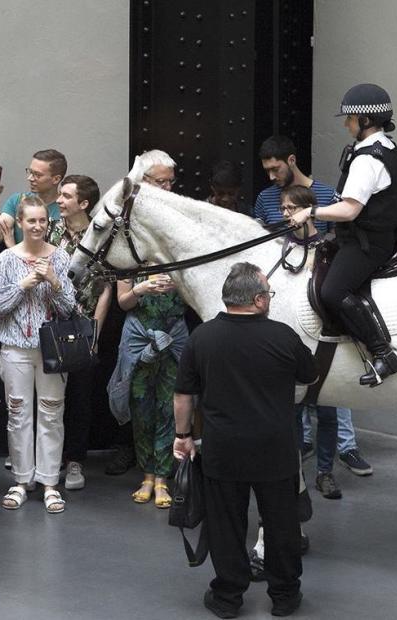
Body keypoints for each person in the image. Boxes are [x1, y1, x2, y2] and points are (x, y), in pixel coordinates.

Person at [173, 262, 317, 618]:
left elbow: (183, 395)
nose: (269, 297)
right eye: (268, 292)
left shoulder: (201, 337)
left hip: (224, 451)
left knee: (226, 525)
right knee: (282, 524)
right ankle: (284, 596)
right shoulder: (283, 336)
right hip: (276, 451)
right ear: (257, 300)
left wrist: (183, 436)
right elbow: (309, 375)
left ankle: (228, 597)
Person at [257, 135, 371, 476]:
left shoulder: (325, 195)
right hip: (286, 290)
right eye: (267, 170)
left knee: (333, 381)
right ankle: (303, 448)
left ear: (291, 160)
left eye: (276, 169)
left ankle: (345, 448)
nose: (272, 177)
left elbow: (344, 235)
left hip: (318, 281)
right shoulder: (265, 198)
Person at [288, 84, 397, 387]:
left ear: (365, 120)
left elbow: (350, 210)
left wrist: (310, 212)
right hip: (360, 237)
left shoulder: (369, 159)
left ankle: (383, 353)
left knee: (333, 291)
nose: (346, 123)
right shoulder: (380, 147)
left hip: (367, 243)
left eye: (350, 118)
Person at [0, 194, 77, 514]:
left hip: (52, 349)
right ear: (21, 222)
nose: (38, 226)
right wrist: (24, 284)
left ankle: (50, 482)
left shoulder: (62, 257)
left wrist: (54, 281)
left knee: (52, 412)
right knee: (18, 413)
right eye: (31, 221)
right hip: (15, 348)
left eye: (43, 220)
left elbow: (70, 307)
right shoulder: (6, 259)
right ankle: (21, 480)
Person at [110, 150, 186, 509]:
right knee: (140, 405)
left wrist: (179, 285)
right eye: (162, 181)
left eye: (171, 181)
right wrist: (140, 288)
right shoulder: (129, 233)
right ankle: (146, 474)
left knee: (171, 406)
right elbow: (123, 301)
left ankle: (164, 479)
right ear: (143, 182)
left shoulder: (180, 225)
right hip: (140, 333)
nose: (168, 187)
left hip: (175, 332)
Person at [48, 175, 112, 492]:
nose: (59, 200)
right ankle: (50, 460)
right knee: (49, 397)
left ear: (83, 203)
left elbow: (104, 289)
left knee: (80, 399)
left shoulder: (99, 235)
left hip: (84, 325)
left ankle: (75, 460)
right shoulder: (51, 230)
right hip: (52, 324)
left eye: (66, 196)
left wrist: (94, 333)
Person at [279, 186, 343, 501]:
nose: (287, 214)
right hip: (293, 346)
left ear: (308, 209)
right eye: (284, 208)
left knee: (328, 414)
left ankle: (326, 472)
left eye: (292, 208)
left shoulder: (329, 249)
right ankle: (296, 475)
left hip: (325, 346)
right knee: (292, 413)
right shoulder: (280, 249)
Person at [0, 149, 66, 247]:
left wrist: (11, 246)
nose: (30, 178)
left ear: (56, 179)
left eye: (37, 175)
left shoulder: (65, 210)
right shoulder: (18, 201)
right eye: (30, 172)